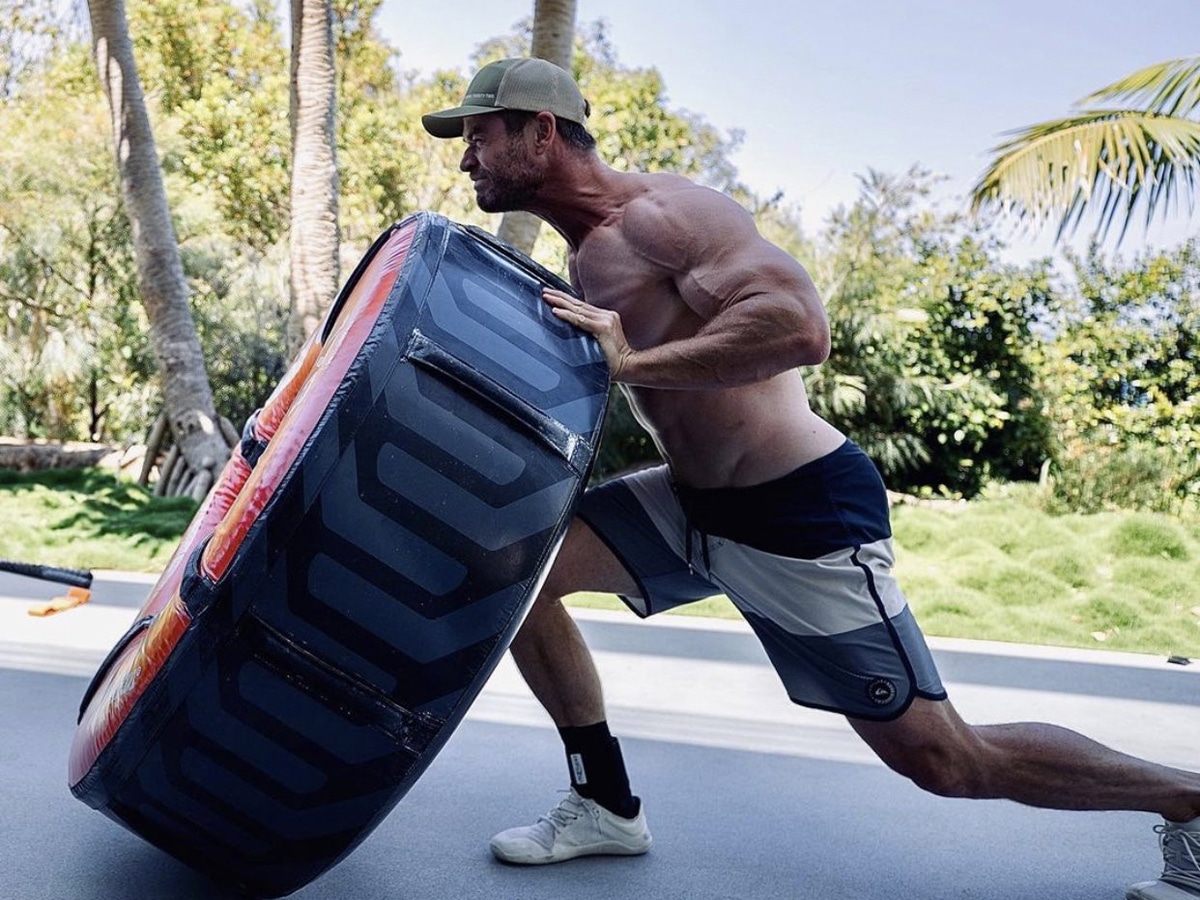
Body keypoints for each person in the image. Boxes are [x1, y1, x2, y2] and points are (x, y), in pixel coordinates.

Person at [422, 56, 1200, 898]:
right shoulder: (585, 257)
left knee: (943, 759)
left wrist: (633, 359)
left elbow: (797, 328)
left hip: (797, 512)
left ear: (542, 131)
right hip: (689, 502)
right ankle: (606, 804)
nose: (467, 159)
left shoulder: (663, 218)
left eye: (480, 137)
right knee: (513, 567)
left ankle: (1188, 799)